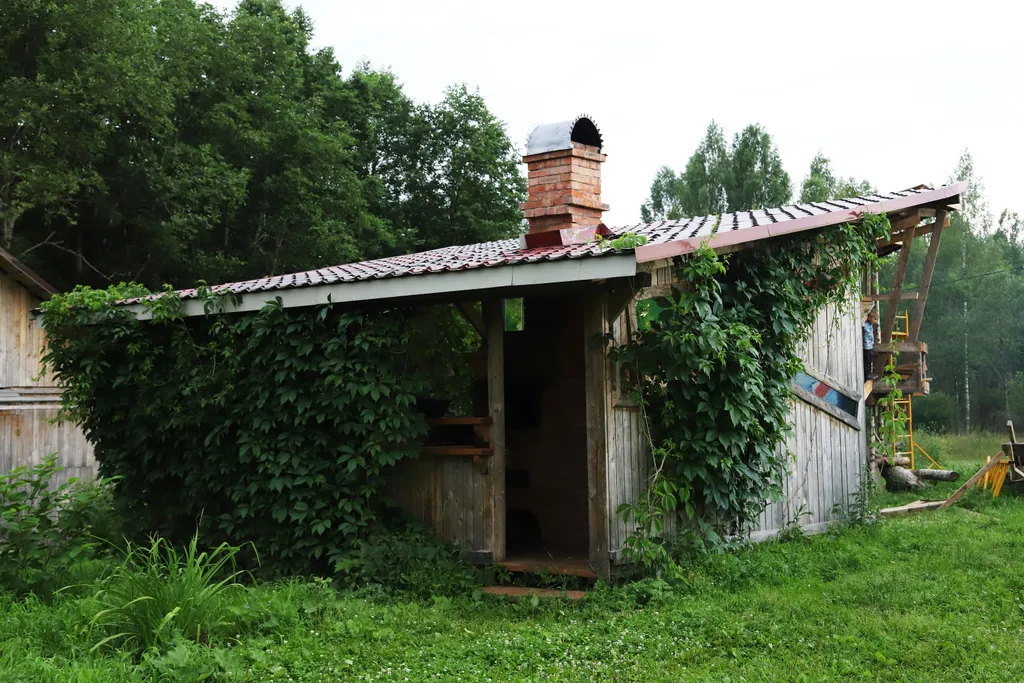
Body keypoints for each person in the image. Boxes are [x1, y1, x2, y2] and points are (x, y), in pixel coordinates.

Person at [863, 309, 879, 380]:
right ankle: (867, 375)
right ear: (869, 318)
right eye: (875, 319)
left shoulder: (870, 325)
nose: (876, 321)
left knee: (869, 361)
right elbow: (862, 324)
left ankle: (869, 374)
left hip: (870, 346)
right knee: (867, 362)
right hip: (866, 347)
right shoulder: (866, 325)